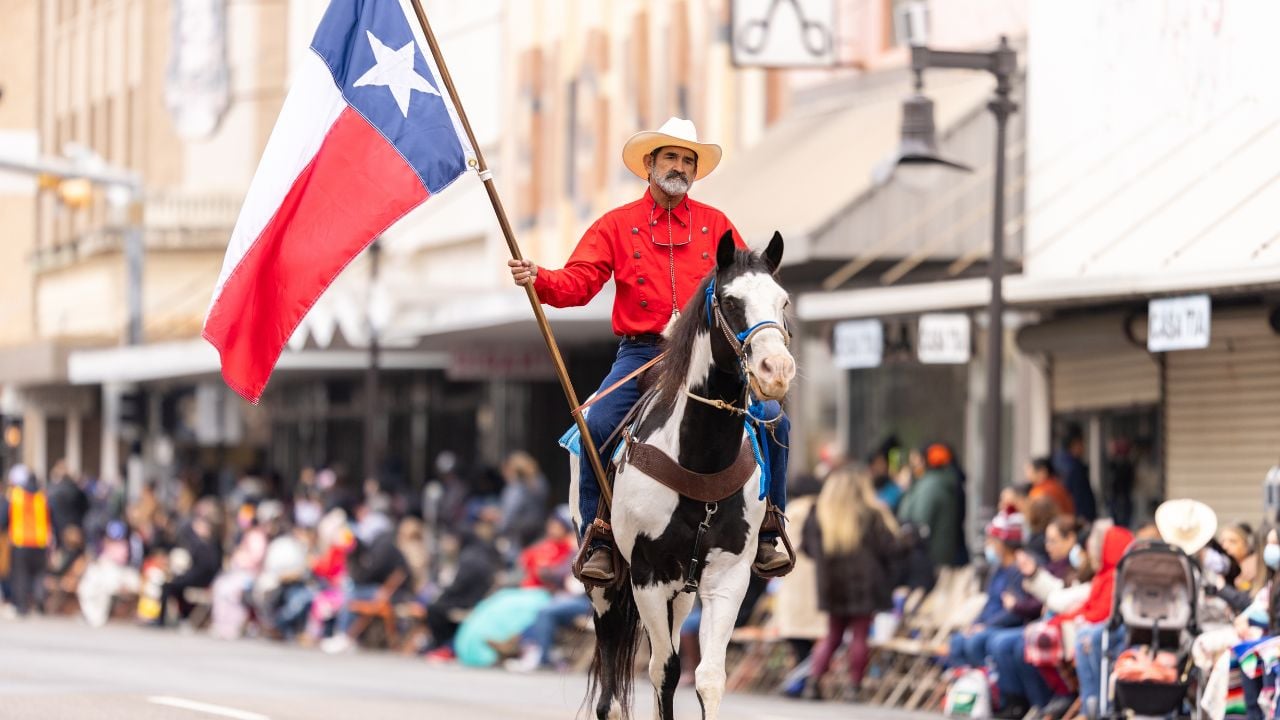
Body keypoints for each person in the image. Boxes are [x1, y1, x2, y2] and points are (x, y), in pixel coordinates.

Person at [509, 117, 792, 583]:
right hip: (643, 354)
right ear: (649, 165)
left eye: (687, 160)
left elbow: (746, 286)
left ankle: (769, 527)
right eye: (670, 158)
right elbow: (578, 285)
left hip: (709, 358)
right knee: (592, 426)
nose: (679, 167)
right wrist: (539, 277)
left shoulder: (717, 224)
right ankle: (599, 535)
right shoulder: (617, 225)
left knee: (776, 420)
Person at [799, 467, 900, 701]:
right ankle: (854, 687)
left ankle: (813, 683)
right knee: (859, 635)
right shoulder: (870, 513)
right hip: (865, 583)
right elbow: (890, 548)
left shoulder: (819, 512)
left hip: (831, 583)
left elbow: (807, 548)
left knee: (833, 634)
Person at [947, 508, 1035, 671]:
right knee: (957, 641)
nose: (988, 545)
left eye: (992, 541)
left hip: (1006, 626)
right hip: (989, 624)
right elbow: (989, 603)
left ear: (1003, 544)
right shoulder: (997, 569)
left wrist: (986, 626)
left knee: (976, 641)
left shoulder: (1020, 570)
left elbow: (1015, 611)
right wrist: (975, 624)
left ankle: (992, 682)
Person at [897, 444, 963, 574]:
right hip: (935, 555)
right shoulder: (933, 483)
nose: (913, 465)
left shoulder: (930, 486)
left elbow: (918, 522)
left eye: (915, 460)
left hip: (930, 557)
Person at [1, 465, 52, 616]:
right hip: (40, 541)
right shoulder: (42, 496)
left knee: (20, 575)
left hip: (21, 541)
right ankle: (39, 605)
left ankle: (22, 607)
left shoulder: (14, 496)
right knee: (38, 575)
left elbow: (3, 518)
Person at [155, 513, 221, 628]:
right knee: (172, 586)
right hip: (195, 578)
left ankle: (162, 620)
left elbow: (203, 570)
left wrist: (181, 578)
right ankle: (180, 617)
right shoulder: (200, 544)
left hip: (202, 581)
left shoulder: (208, 546)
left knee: (168, 586)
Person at [1053, 426, 1097, 522]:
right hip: (1075, 519)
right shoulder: (1074, 467)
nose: (1083, 447)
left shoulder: (1056, 461)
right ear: (1075, 443)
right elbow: (1079, 498)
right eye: (1082, 443)